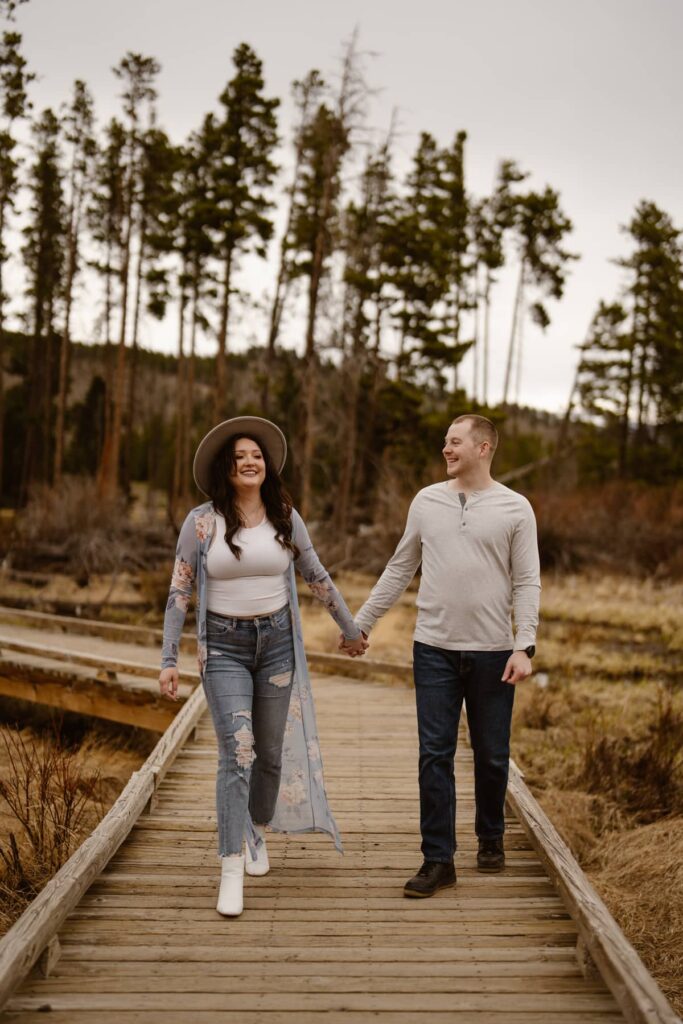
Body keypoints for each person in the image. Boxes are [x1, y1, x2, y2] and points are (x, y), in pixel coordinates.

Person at [159, 416, 368, 917]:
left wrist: (351, 627)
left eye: (255, 455)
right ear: (225, 471)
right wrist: (168, 659)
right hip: (225, 648)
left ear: (266, 464)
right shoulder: (202, 523)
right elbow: (179, 591)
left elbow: (315, 575)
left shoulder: (285, 516)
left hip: (276, 646)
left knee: (270, 756)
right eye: (238, 458)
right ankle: (230, 866)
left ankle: (254, 829)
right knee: (239, 752)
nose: (248, 462)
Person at [341, 414, 540, 898]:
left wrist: (524, 644)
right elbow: (400, 567)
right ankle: (438, 859)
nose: (446, 450)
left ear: (484, 447)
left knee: (492, 757)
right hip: (433, 648)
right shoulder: (427, 502)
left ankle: (490, 836)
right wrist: (360, 623)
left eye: (455, 442)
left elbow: (526, 580)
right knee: (435, 755)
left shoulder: (516, 508)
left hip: (494, 653)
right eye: (445, 443)